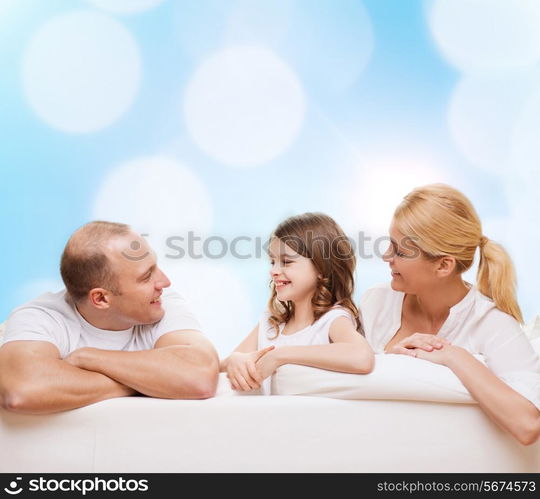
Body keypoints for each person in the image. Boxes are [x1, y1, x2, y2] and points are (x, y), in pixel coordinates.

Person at [360, 184, 540, 445]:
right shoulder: (377, 301)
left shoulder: (492, 324)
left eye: (400, 251)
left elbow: (528, 426)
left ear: (443, 265)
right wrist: (393, 362)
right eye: (390, 243)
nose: (386, 256)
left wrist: (453, 355)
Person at [0, 221, 219, 414]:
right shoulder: (41, 317)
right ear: (101, 299)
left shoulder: (161, 303)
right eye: (146, 276)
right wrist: (149, 383)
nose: (164, 282)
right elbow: (21, 391)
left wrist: (88, 358)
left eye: (156, 266)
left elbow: (200, 377)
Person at [221, 212, 374, 394]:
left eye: (286, 262)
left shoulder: (332, 320)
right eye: (272, 261)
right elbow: (223, 367)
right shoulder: (271, 323)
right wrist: (235, 360)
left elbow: (362, 357)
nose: (274, 271)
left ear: (321, 268)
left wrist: (280, 355)